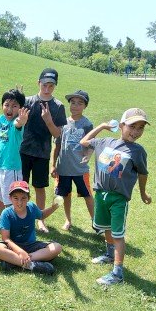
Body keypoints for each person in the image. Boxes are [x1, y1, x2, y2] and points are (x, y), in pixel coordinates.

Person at [79, 108, 152, 286]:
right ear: (121, 126)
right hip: (101, 195)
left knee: (118, 234)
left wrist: (143, 192)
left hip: (118, 199)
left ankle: (118, 273)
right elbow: (84, 142)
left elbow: (143, 174)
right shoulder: (105, 142)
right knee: (107, 228)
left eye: (140, 128)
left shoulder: (138, 151)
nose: (136, 132)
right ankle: (110, 254)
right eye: (132, 126)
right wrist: (102, 126)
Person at [20, 68, 67, 233]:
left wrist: (48, 120)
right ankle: (20, 216)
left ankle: (40, 220)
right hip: (23, 151)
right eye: (44, 84)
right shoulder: (27, 101)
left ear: (54, 86)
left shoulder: (58, 106)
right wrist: (18, 99)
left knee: (39, 187)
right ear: (38, 83)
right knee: (20, 186)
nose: (47, 88)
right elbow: (16, 123)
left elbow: (57, 134)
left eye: (51, 85)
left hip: (42, 153)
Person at [0, 87, 29, 232]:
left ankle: (14, 227)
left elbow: (18, 124)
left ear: (20, 109)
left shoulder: (16, 124)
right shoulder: (1, 120)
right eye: (7, 105)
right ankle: (0, 223)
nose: (9, 109)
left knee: (12, 199)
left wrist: (21, 121)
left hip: (12, 168)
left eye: (14, 106)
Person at [0, 181, 62, 274]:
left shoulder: (31, 207)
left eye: (23, 198)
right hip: (13, 247)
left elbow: (42, 215)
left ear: (28, 198)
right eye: (16, 198)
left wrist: (53, 207)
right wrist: (20, 252)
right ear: (10, 198)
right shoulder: (6, 213)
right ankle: (33, 266)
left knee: (57, 247)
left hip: (31, 246)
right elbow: (6, 238)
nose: (19, 202)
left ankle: (13, 262)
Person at [51, 90, 95, 231]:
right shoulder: (62, 123)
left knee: (87, 195)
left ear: (85, 106)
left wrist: (87, 156)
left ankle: (96, 223)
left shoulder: (87, 124)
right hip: (63, 168)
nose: (75, 106)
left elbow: (92, 145)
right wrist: (53, 165)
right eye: (73, 103)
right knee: (65, 195)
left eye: (79, 103)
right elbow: (57, 145)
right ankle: (68, 220)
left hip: (80, 170)